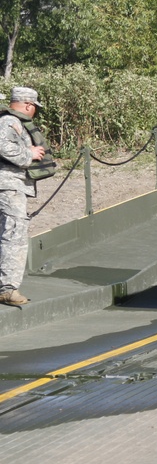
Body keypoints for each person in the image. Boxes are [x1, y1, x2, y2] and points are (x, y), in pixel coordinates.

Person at [0, 87, 50, 307]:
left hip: (9, 186)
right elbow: (2, 145)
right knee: (14, 235)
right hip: (9, 186)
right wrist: (29, 154)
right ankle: (7, 289)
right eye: (35, 108)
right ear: (29, 105)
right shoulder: (10, 122)